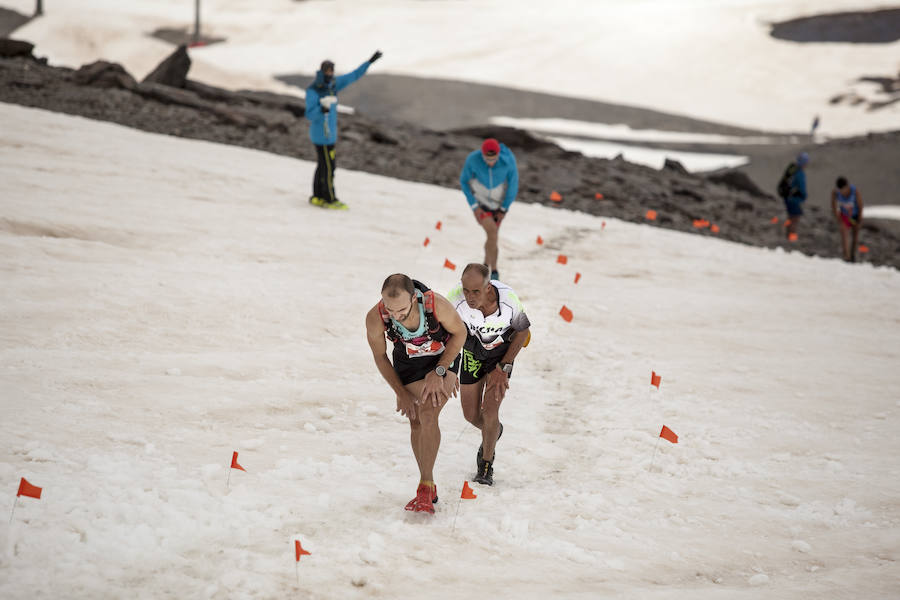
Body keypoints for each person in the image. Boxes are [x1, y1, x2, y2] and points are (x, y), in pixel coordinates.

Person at [365, 274, 467, 514]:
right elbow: (380, 356)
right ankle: (427, 483)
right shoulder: (375, 318)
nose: (396, 316)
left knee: (428, 413)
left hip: (442, 358)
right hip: (408, 365)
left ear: (414, 298)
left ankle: (425, 486)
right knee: (415, 419)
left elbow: (460, 333)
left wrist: (441, 371)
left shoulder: (436, 305)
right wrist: (400, 392)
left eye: (401, 310)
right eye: (390, 310)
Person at [447, 263, 531, 486]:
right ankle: (494, 432)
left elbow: (524, 332)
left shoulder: (508, 300)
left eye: (475, 291)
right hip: (473, 350)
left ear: (488, 287)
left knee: (490, 410)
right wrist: (447, 367)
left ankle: (486, 464)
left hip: (500, 354)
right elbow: (447, 334)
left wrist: (504, 368)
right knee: (471, 415)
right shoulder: (455, 299)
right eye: (466, 290)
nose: (469, 297)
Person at [305, 50, 382, 210]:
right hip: (322, 136)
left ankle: (317, 196)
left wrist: (369, 62)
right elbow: (310, 114)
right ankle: (329, 199)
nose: (330, 73)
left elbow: (353, 76)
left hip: (328, 135)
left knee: (322, 166)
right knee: (328, 167)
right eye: (327, 70)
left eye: (331, 70)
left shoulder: (333, 84)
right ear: (322, 70)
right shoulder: (314, 90)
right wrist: (322, 109)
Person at [459, 138, 519, 280]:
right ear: (482, 155)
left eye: (493, 159)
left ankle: (485, 265)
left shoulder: (508, 160)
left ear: (498, 155)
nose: (490, 162)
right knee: (492, 232)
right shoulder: (473, 159)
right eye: (487, 159)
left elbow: (513, 185)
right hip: (481, 202)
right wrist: (474, 206)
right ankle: (494, 272)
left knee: (492, 236)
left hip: (498, 204)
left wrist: (504, 209)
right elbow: (464, 181)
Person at [831, 176, 864, 262]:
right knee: (844, 235)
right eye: (841, 190)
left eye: (844, 189)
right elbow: (833, 205)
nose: (843, 192)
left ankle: (853, 255)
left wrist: (860, 217)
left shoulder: (854, 191)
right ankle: (846, 256)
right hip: (844, 217)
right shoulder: (836, 193)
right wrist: (837, 216)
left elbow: (860, 204)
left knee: (855, 237)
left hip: (854, 216)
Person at [777, 152, 809, 239]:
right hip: (794, 199)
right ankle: (791, 237)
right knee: (795, 218)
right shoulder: (799, 172)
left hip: (788, 197)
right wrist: (804, 196)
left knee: (791, 217)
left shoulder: (792, 169)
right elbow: (801, 187)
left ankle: (788, 235)